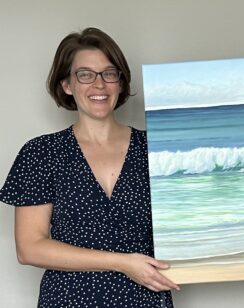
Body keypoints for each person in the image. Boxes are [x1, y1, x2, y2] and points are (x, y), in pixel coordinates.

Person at [0, 27, 178, 307]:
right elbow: (29, 248)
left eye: (109, 73)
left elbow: (191, 221)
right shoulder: (40, 153)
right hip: (69, 300)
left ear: (120, 83)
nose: (99, 85)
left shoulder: (155, 149)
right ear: (67, 85)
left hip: (145, 299)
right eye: (85, 74)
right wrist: (122, 263)